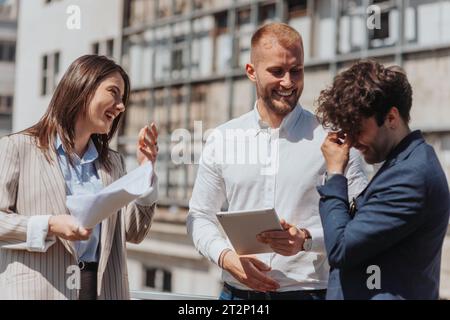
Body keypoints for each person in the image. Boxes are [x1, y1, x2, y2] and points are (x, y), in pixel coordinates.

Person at [187, 23, 368, 300]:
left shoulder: (334, 139)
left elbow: (361, 220)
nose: (288, 82)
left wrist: (305, 240)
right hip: (237, 295)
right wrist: (225, 257)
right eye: (276, 71)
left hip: (308, 293)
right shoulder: (222, 138)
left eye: (296, 71)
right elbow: (199, 217)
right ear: (251, 72)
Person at [0, 55, 159, 300]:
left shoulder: (112, 162)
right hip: (40, 290)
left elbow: (133, 232)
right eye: (113, 93)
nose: (120, 106)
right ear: (83, 88)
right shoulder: (17, 148)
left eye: (122, 99)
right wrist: (50, 225)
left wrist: (146, 170)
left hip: (98, 290)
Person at [316, 60, 450, 300]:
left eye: (358, 129)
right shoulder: (403, 164)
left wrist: (335, 173)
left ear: (391, 118)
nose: (352, 142)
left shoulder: (410, 176)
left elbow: (340, 248)